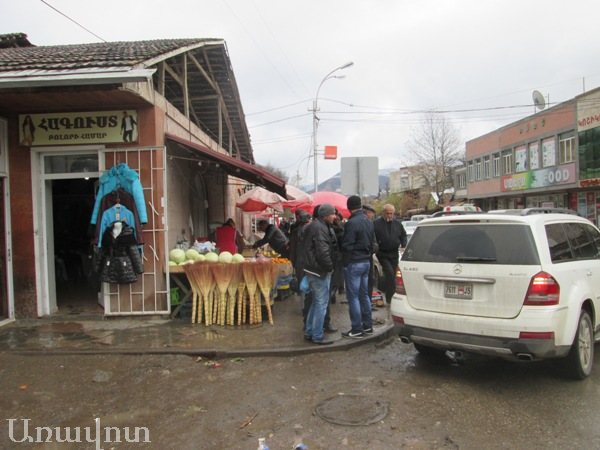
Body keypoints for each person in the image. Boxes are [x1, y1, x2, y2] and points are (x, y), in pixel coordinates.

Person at [298, 203, 338, 345]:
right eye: (333, 213)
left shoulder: (316, 226)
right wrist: (330, 268)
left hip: (313, 270)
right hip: (319, 271)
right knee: (321, 303)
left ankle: (310, 332)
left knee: (316, 302)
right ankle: (317, 335)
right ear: (326, 215)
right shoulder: (320, 228)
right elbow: (323, 253)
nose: (335, 216)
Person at [341, 195, 375, 339]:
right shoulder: (368, 220)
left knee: (353, 297)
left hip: (354, 263)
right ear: (360, 206)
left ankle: (356, 328)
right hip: (366, 262)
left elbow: (348, 245)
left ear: (349, 208)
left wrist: (345, 263)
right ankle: (367, 326)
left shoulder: (351, 223)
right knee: (364, 295)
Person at [373, 204, 407, 304]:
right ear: (383, 213)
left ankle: (391, 295)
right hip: (382, 253)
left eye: (391, 213)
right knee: (390, 274)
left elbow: (403, 236)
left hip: (394, 253)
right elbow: (373, 237)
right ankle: (390, 297)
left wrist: (403, 245)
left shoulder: (397, 224)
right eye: (387, 213)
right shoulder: (376, 224)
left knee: (394, 275)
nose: (389, 216)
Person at [362, 204, 381, 307]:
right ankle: (366, 304)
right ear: (367, 212)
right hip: (366, 257)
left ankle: (366, 303)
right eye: (371, 213)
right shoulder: (368, 223)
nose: (372, 215)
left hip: (367, 256)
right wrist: (374, 248)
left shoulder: (369, 223)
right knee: (367, 282)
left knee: (369, 281)